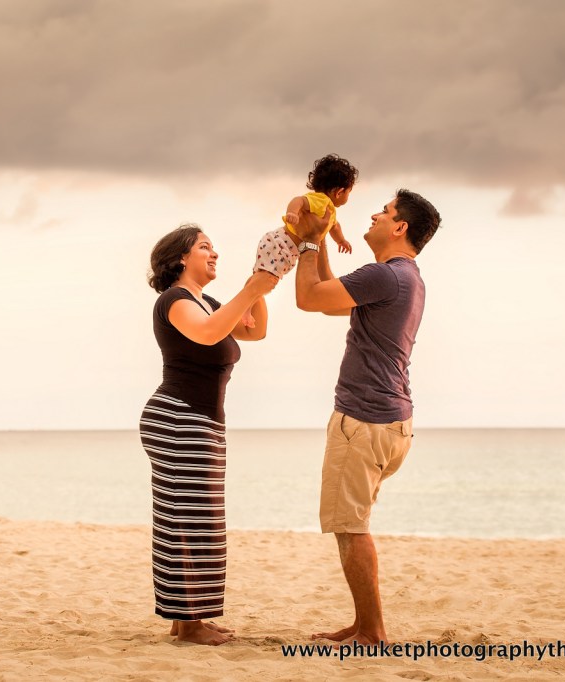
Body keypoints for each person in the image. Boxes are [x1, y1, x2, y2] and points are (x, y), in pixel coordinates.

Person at [293, 188, 442, 645]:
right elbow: (331, 300)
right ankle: (363, 625)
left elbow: (307, 298)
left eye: (386, 211)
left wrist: (307, 240)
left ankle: (372, 631)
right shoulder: (405, 277)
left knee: (350, 527)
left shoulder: (385, 275)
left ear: (400, 227)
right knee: (352, 524)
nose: (375, 215)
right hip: (391, 421)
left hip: (364, 420)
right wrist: (320, 239)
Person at [139, 224, 278, 646]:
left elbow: (255, 331)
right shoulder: (175, 300)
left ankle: (187, 617)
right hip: (179, 418)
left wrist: (259, 282)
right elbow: (207, 333)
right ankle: (188, 623)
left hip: (199, 421)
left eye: (214, 247)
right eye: (204, 247)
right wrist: (251, 287)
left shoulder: (209, 303)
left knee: (198, 521)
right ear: (182, 257)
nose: (214, 253)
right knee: (188, 520)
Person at [254, 154, 358, 280]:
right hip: (281, 244)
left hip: (285, 248)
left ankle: (252, 291)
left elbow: (335, 227)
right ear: (339, 192)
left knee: (261, 279)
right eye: (349, 192)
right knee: (267, 280)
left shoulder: (328, 209)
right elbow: (299, 200)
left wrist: (341, 241)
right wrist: (292, 213)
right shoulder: (320, 200)